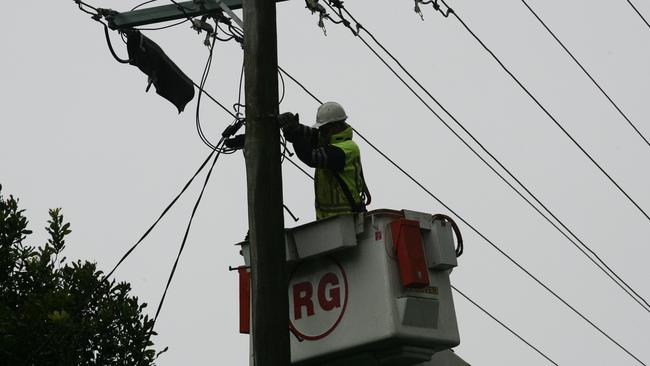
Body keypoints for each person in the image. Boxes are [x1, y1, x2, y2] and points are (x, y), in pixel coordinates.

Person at [279, 101, 371, 220]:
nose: (321, 132)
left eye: (324, 129)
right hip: (328, 222)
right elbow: (311, 135)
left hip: (347, 219)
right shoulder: (330, 140)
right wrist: (295, 128)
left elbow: (311, 157)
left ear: (336, 127)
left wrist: (296, 135)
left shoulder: (346, 149)